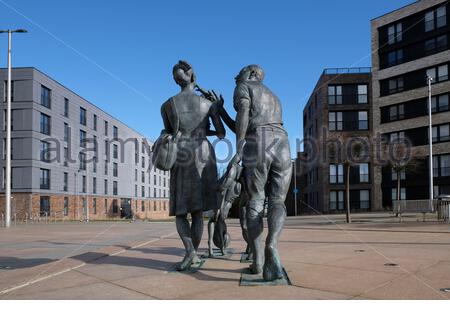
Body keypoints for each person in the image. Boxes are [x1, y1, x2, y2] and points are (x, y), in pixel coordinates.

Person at [160, 60, 225, 271]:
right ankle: (192, 254)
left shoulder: (167, 105)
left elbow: (168, 132)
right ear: (192, 76)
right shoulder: (207, 104)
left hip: (181, 153)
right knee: (197, 212)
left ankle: (190, 252)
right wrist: (215, 114)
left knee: (181, 212)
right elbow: (222, 134)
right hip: (203, 154)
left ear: (176, 80)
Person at [233, 65, 292, 281]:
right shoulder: (275, 97)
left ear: (249, 74)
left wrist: (239, 145)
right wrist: (220, 110)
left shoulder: (243, 86)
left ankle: (258, 261)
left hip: (259, 139)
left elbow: (244, 115)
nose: (235, 77)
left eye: (238, 73)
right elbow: (249, 121)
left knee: (256, 201)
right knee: (278, 201)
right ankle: (272, 244)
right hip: (282, 140)